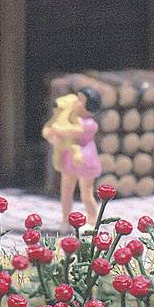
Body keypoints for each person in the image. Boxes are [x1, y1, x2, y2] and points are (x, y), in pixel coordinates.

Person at [41, 87, 100, 226]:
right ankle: (65, 220)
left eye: (80, 100)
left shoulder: (90, 124)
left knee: (86, 194)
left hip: (85, 159)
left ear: (89, 106)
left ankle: (92, 222)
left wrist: (58, 129)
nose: (75, 102)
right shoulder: (70, 119)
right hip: (69, 158)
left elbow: (75, 132)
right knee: (66, 192)